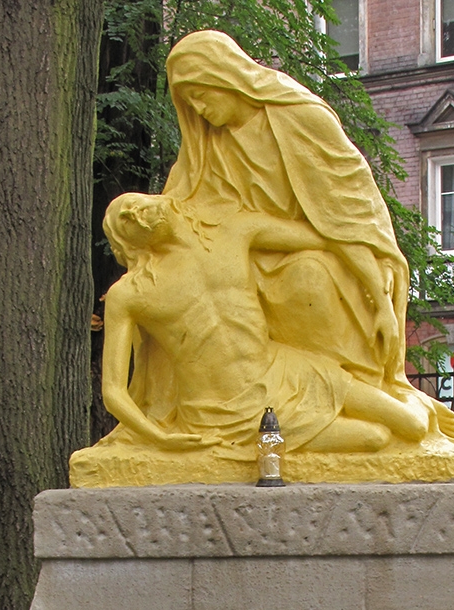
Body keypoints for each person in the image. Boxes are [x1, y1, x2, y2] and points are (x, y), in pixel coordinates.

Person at [161, 29, 454, 438]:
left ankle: (353, 402)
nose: (197, 107)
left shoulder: (300, 117)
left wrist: (381, 302)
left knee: (308, 277)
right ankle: (231, 407)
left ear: (226, 77)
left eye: (201, 92)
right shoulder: (205, 146)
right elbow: (174, 209)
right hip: (241, 256)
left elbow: (348, 217)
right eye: (186, 99)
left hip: (315, 249)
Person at [99, 192, 434, 458]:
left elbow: (326, 237)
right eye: (124, 221)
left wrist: (380, 293)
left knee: (414, 425)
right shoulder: (129, 294)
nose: (135, 215)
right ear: (127, 244)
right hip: (227, 411)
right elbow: (113, 390)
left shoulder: (234, 231)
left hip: (288, 370)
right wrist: (159, 437)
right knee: (374, 438)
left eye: (133, 205)